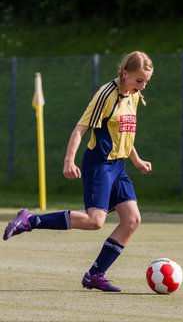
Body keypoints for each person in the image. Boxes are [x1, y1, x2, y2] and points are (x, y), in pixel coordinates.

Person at [3, 51, 154, 292]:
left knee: (132, 220)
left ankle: (95, 274)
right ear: (124, 73)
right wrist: (68, 161)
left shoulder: (133, 96)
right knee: (95, 221)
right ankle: (29, 221)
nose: (142, 86)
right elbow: (79, 129)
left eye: (146, 81)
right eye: (139, 80)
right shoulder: (106, 95)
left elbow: (123, 133)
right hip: (99, 164)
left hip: (118, 166)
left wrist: (135, 159)